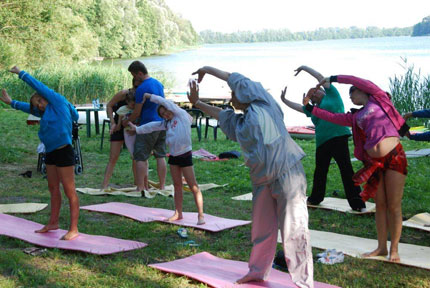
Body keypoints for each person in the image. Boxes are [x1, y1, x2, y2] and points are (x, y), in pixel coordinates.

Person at [188, 66, 313, 287]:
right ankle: (256, 273)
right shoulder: (241, 123)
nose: (232, 96)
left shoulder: (264, 104)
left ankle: (303, 282)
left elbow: (235, 78)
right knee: (261, 230)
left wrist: (207, 69)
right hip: (262, 179)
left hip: (287, 172)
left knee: (294, 229)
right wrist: (197, 103)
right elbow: (222, 116)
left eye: (234, 93)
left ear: (245, 93)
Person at [303, 74, 409, 262]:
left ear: (363, 91)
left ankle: (395, 250)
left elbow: (359, 80)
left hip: (394, 156)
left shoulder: (379, 99)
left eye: (353, 93)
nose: (350, 97)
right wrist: (309, 108)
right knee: (380, 206)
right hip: (374, 163)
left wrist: (334, 78)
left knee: (394, 205)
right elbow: (332, 117)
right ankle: (381, 247)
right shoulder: (355, 116)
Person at [0, 66, 80, 240]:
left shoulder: (57, 102)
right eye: (37, 105)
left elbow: (39, 87)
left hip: (64, 152)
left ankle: (74, 228)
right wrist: (11, 102)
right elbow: (27, 108)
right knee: (53, 188)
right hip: (50, 153)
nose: (39, 106)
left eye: (40, 101)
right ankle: (53, 222)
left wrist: (21, 73)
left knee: (69, 190)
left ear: (46, 98)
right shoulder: (45, 110)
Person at [280, 65, 365, 211]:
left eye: (315, 91)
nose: (314, 94)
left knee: (346, 170)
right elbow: (299, 108)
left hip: (339, 138)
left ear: (321, 90)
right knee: (320, 171)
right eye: (311, 95)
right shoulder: (314, 109)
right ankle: (315, 198)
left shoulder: (332, 95)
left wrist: (304, 68)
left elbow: (320, 76)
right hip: (322, 142)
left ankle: (357, 202)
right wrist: (284, 100)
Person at [128, 91, 205, 225]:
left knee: (193, 186)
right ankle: (178, 213)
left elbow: (165, 102)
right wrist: (137, 129)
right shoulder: (167, 123)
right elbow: (152, 126)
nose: (166, 115)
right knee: (177, 185)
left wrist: (149, 97)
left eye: (166, 112)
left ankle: (201, 215)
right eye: (163, 115)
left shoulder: (180, 115)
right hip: (174, 157)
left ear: (171, 108)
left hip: (185, 155)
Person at [124, 60, 167, 192]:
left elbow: (137, 112)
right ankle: (162, 185)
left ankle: (141, 187)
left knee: (140, 156)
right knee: (160, 155)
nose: (134, 78)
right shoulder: (159, 84)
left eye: (134, 75)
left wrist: (127, 121)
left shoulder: (142, 88)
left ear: (140, 73)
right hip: (161, 124)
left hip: (147, 125)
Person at [101, 79, 141, 190]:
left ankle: (137, 183)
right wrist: (113, 123)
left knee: (135, 156)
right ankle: (104, 185)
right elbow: (109, 105)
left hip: (132, 127)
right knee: (113, 156)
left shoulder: (143, 95)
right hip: (118, 126)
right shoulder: (124, 94)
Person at [114, 90, 136, 156]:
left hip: (137, 130)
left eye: (135, 104)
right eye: (133, 104)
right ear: (127, 102)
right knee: (130, 147)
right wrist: (118, 125)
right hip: (127, 131)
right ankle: (134, 156)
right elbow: (120, 117)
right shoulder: (123, 109)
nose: (134, 106)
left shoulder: (137, 108)